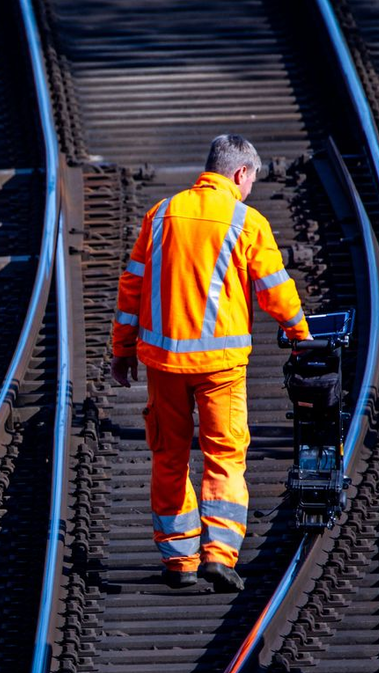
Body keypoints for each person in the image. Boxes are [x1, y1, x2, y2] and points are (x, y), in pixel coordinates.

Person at [110, 134, 310, 591]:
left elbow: (131, 289)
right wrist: (302, 336)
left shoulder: (161, 215)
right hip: (220, 368)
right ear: (240, 173)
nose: (251, 188)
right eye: (252, 179)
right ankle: (220, 555)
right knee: (224, 456)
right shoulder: (247, 221)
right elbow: (275, 290)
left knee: (169, 457)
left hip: (163, 365)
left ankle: (180, 560)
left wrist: (122, 351)